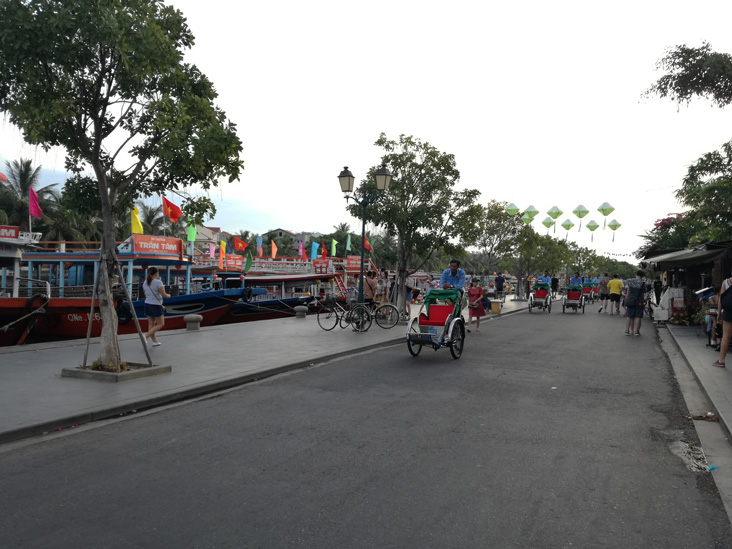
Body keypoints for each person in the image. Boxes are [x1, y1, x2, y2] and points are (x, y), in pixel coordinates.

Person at [142, 266, 170, 346]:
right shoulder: (158, 282)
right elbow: (163, 295)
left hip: (147, 304)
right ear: (156, 273)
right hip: (155, 305)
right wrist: (169, 295)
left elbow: (145, 294)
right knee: (160, 324)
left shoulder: (145, 282)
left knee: (151, 323)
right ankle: (146, 336)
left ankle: (155, 341)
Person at [714, 272, 732, 367]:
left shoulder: (726, 282)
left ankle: (721, 361)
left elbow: (721, 298)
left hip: (728, 312)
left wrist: (718, 312)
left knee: (726, 337)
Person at [624, 270, 648, 336]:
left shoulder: (629, 281)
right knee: (638, 316)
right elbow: (644, 292)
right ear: (642, 276)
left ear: (636, 274)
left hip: (630, 300)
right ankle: (636, 331)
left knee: (629, 316)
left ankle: (627, 330)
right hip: (639, 301)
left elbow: (627, 291)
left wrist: (626, 299)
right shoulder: (643, 283)